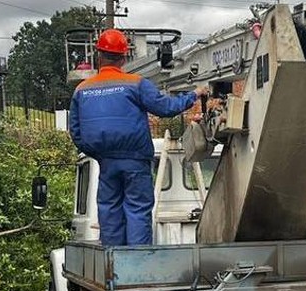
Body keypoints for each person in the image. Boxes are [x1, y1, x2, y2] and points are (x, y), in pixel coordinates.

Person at [69, 28, 208, 246]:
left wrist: (97, 153)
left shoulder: (82, 90)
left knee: (110, 212)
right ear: (124, 58)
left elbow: (76, 131)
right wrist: (194, 94)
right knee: (137, 210)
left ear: (98, 55)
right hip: (135, 160)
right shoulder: (136, 84)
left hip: (105, 162)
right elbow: (166, 107)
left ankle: (112, 264)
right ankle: (136, 266)